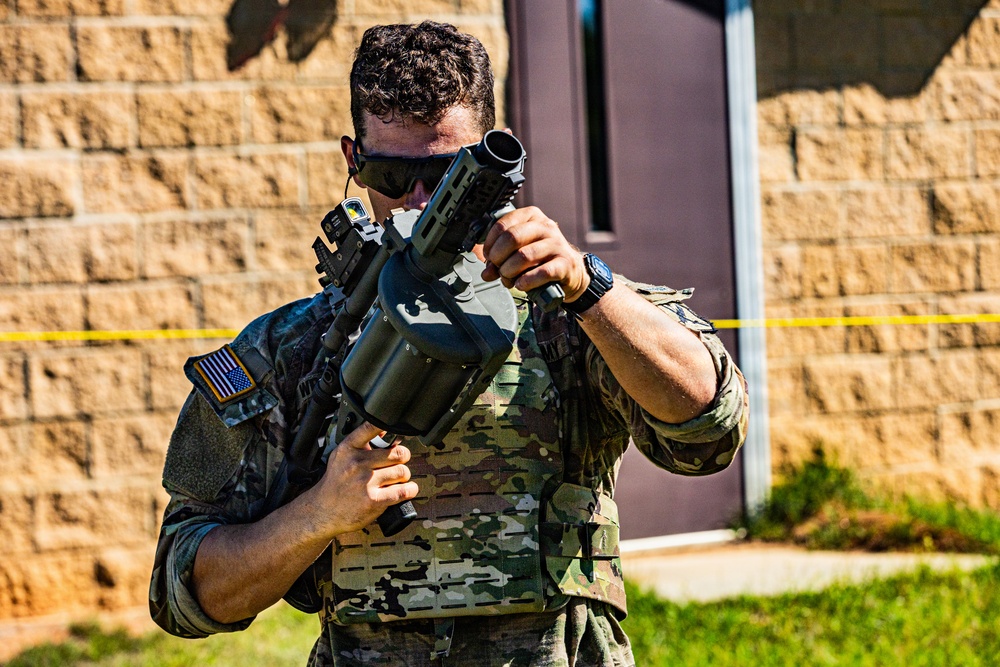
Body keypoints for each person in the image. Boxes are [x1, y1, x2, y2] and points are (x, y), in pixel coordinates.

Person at [149, 20, 748, 667]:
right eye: (391, 173)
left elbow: (710, 429)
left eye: (446, 172)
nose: (420, 200)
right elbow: (185, 591)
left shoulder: (570, 310)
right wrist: (318, 514)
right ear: (353, 160)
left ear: (490, 162)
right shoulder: (294, 348)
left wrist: (588, 287)